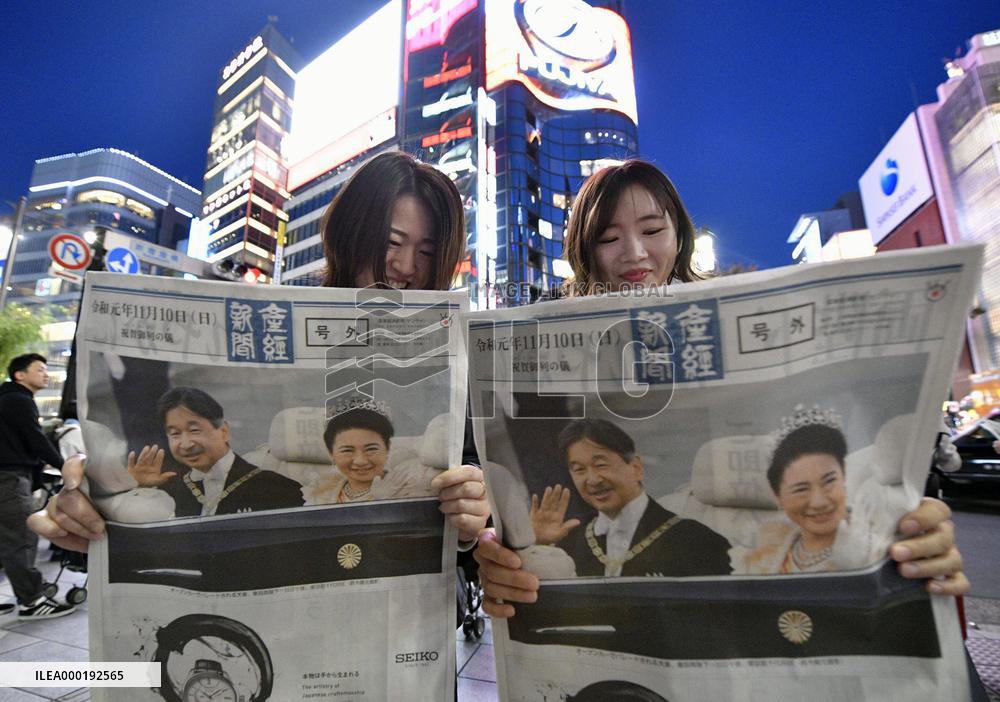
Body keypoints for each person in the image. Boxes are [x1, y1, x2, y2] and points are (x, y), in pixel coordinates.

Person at [475, 159, 969, 618]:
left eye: (652, 230)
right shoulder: (544, 353)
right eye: (609, 238)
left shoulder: (705, 525)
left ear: (679, 235)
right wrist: (504, 550)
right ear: (583, 249)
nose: (636, 254)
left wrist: (911, 530)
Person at [30, 150, 489, 550]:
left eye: (427, 252)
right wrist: (96, 502)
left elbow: (477, 507)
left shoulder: (455, 360)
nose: (406, 267)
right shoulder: (267, 357)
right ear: (351, 235)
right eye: (392, 242)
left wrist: (474, 517)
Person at [532, 418, 730, 577]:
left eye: (601, 465)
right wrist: (539, 545)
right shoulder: (569, 542)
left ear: (636, 467)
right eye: (579, 470)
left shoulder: (695, 541)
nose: (592, 480)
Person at [127, 387, 304, 517]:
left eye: (195, 430)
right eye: (175, 434)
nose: (186, 444)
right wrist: (142, 490)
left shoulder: (275, 488)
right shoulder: (167, 490)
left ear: (223, 431)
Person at [0, 354, 75, 620]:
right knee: (21, 537)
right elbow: (35, 439)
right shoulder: (18, 400)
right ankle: (32, 602)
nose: (47, 374)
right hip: (8, 477)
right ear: (20, 375)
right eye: (40, 369)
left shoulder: (5, 398)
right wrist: (64, 466)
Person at [743, 408, 849, 574]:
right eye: (801, 489)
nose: (819, 502)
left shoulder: (873, 540)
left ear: (844, 475)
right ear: (777, 496)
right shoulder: (765, 552)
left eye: (829, 481)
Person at [303, 397, 437, 504]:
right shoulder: (320, 492)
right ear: (331, 453)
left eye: (371, 449)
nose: (360, 461)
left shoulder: (409, 490)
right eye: (347, 450)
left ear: (388, 448)